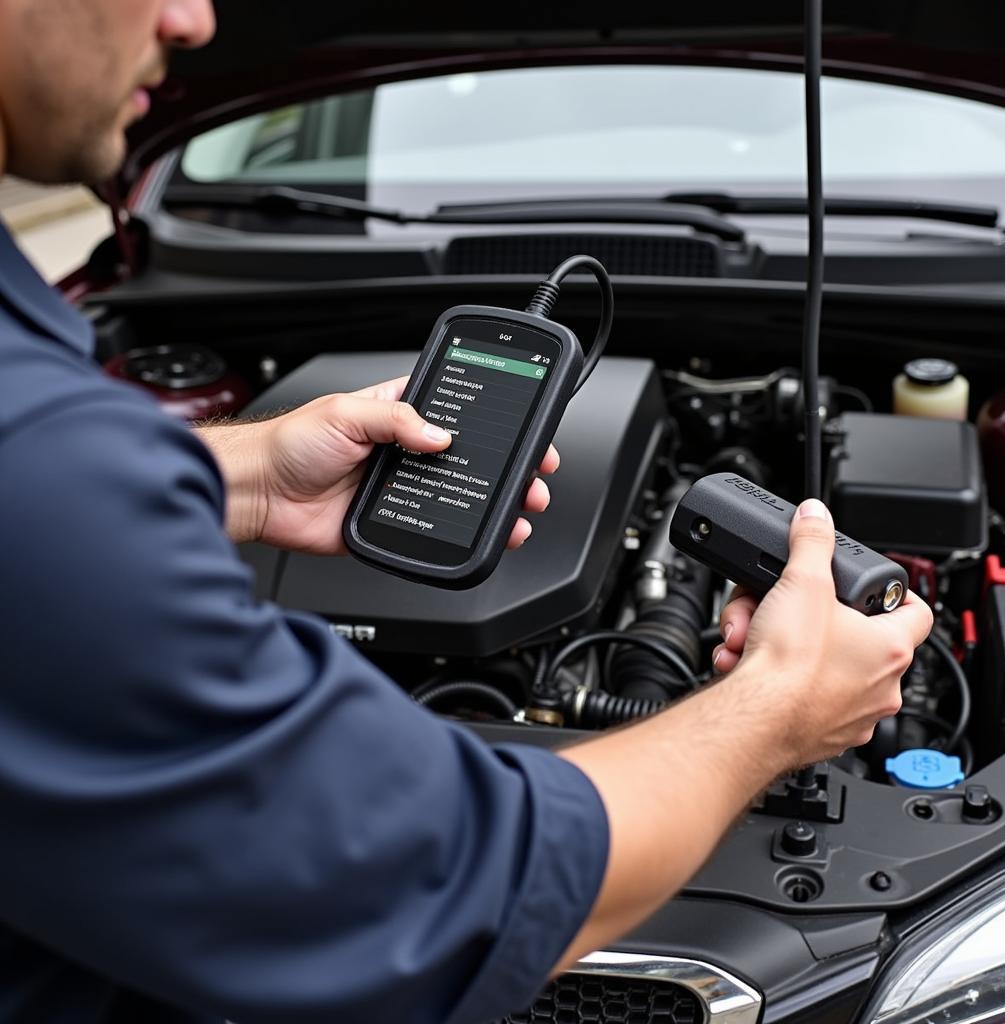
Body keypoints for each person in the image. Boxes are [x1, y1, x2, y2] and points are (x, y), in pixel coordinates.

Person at [0, 2, 933, 1022]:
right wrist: (779, 710)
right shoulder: (43, 472)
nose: (195, 17)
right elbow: (452, 886)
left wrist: (249, 473)